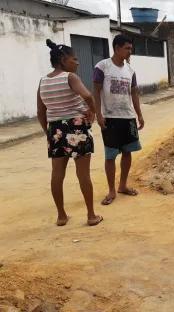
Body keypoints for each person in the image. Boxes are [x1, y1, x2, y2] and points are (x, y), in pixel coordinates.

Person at [37, 39, 103, 226]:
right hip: (76, 127)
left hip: (55, 129)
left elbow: (40, 112)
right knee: (83, 175)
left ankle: (61, 216)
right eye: (75, 59)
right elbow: (88, 96)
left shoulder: (43, 82)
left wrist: (49, 133)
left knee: (57, 174)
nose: (78, 62)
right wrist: (92, 112)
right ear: (64, 60)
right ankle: (91, 215)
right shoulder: (70, 77)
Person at [93, 35, 145, 206]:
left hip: (128, 117)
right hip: (110, 118)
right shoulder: (102, 67)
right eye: (127, 48)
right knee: (110, 156)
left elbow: (134, 94)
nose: (130, 51)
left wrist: (139, 114)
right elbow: (96, 91)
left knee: (127, 152)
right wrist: (98, 114)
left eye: (131, 48)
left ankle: (122, 185)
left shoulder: (130, 70)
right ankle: (111, 191)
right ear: (117, 48)